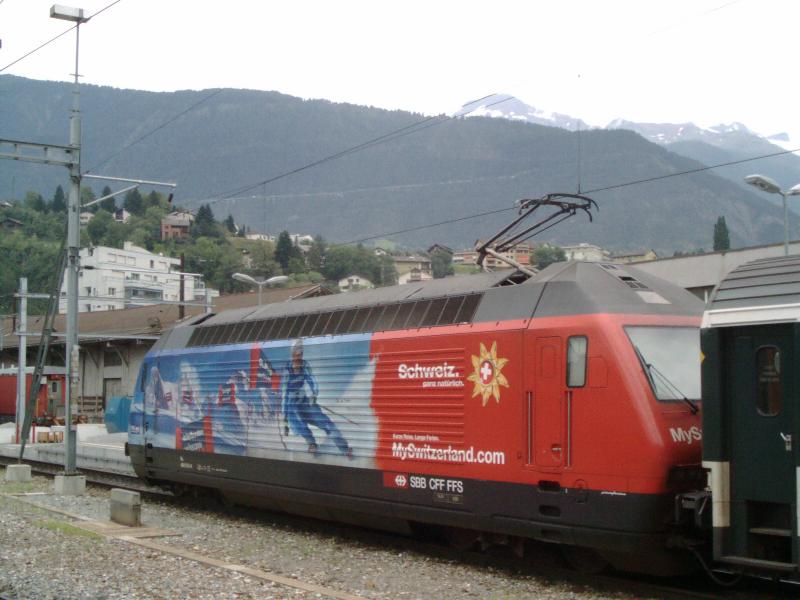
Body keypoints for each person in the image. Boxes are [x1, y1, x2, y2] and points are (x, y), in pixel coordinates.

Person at [282, 339, 352, 457]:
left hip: (304, 401)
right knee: (300, 423)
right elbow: (284, 394)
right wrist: (285, 420)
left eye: (300, 354)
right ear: (292, 354)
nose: (298, 358)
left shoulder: (305, 365)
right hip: (292, 405)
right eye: (296, 354)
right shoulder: (287, 369)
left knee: (325, 422)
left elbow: (312, 380)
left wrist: (314, 395)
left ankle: (344, 448)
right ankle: (312, 444)